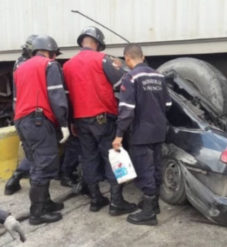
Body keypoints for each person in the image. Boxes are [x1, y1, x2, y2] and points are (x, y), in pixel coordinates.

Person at [63, 26, 136, 215]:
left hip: (80, 121)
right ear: (96, 43)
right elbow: (123, 85)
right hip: (103, 119)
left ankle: (96, 200)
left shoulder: (67, 66)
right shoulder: (103, 59)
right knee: (114, 157)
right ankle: (117, 202)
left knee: (88, 158)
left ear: (82, 42)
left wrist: (71, 121)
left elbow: (68, 97)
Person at [112, 44, 172, 225]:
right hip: (159, 131)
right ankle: (153, 204)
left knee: (144, 169)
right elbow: (168, 104)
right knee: (155, 167)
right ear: (143, 56)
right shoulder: (159, 76)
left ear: (127, 59)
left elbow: (127, 109)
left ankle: (148, 214)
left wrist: (119, 135)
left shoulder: (130, 77)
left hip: (141, 132)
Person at [13, 35, 69, 225]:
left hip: (22, 120)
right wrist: (63, 123)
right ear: (50, 51)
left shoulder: (20, 68)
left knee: (37, 162)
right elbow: (56, 95)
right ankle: (37, 213)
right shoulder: (49, 65)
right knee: (43, 165)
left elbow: (16, 99)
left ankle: (46, 203)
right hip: (38, 120)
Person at [5, 34, 37, 195]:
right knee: (38, 152)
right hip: (30, 114)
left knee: (30, 150)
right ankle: (38, 194)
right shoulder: (30, 65)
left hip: (19, 113)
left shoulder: (19, 63)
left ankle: (15, 179)